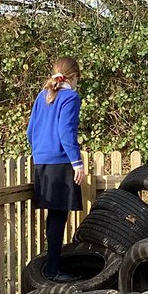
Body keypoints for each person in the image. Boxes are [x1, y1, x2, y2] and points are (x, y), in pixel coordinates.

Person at [27, 57, 85, 281]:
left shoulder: (42, 96)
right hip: (60, 161)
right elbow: (66, 131)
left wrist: (40, 151)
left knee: (53, 215)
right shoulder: (70, 97)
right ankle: (53, 270)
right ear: (74, 77)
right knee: (59, 216)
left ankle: (51, 264)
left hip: (41, 160)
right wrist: (77, 162)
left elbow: (30, 131)